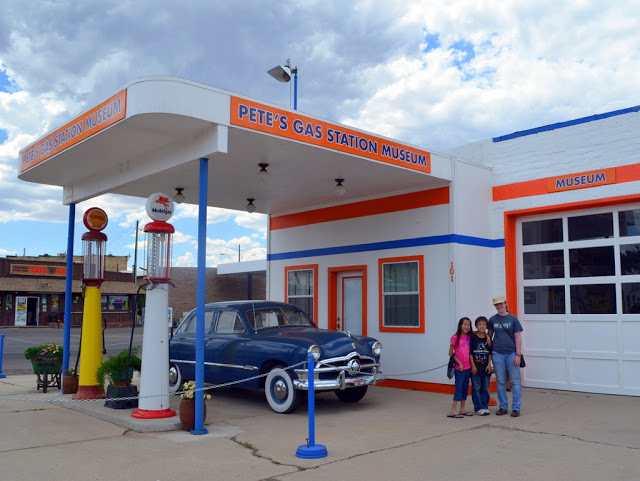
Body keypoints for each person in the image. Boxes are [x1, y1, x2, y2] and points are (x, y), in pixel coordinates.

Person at [488, 295, 523, 417]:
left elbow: (518, 338)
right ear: (495, 306)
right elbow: (489, 337)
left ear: (505, 303)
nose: (499, 306)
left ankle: (516, 408)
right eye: (497, 305)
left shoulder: (513, 319)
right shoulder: (492, 320)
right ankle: (503, 406)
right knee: (501, 381)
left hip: (511, 353)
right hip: (497, 353)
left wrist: (518, 355)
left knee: (515, 381)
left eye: (501, 304)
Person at [447, 317, 473, 418]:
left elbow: (482, 332)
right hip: (460, 369)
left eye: (468, 325)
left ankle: (462, 409)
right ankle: (453, 410)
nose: (466, 327)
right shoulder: (455, 337)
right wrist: (459, 363)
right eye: (464, 324)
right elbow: (450, 353)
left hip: (468, 368)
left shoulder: (470, 336)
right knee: (459, 388)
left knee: (465, 388)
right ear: (460, 325)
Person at [470, 316, 492, 416]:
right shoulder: (473, 338)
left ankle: (485, 406)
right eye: (480, 324)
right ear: (476, 326)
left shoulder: (488, 339)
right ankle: (478, 408)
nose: (482, 326)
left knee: (485, 388)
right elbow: (470, 353)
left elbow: (490, 353)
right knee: (476, 388)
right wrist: (473, 366)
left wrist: (489, 365)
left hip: (486, 368)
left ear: (486, 326)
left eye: (484, 324)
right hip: (476, 367)